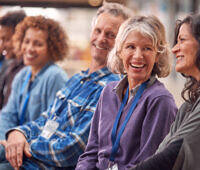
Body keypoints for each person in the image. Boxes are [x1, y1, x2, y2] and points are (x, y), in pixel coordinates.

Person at [0, 2, 133, 170]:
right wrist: (18, 133)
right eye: (98, 31)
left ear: (121, 43)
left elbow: (75, 147)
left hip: (44, 164)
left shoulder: (113, 87)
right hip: (31, 158)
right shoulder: (77, 79)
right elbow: (45, 119)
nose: (100, 39)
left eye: (110, 35)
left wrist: (27, 146)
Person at [76, 15, 178, 170]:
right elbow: (90, 154)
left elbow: (148, 165)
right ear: (119, 51)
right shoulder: (108, 92)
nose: (138, 56)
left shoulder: (160, 101)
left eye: (147, 48)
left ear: (157, 55)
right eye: (131, 47)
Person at [129, 13, 200, 170]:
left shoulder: (161, 99)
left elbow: (173, 154)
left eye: (182, 40)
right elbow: (163, 151)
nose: (175, 49)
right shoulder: (189, 105)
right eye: (130, 47)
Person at [0, 15, 68, 168]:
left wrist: (21, 140)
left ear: (51, 48)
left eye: (38, 44)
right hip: (13, 143)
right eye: (27, 41)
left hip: (35, 155)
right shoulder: (22, 75)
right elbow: (7, 115)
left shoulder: (55, 77)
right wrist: (8, 137)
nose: (29, 48)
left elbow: (53, 125)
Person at [0, 10, 26, 109]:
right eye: (1, 40)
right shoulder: (9, 66)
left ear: (20, 37)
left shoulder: (30, 70)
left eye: (6, 39)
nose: (2, 46)